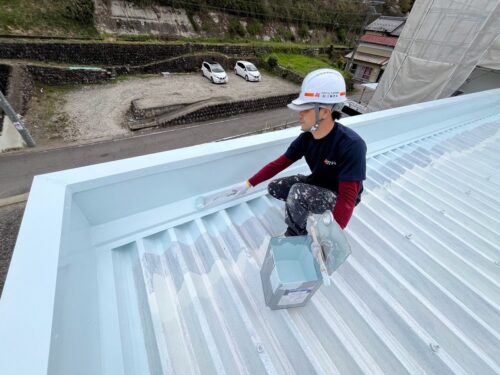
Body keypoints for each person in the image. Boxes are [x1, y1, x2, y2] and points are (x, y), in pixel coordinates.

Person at [235, 68, 367, 236]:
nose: (300, 114)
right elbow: (279, 164)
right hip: (318, 182)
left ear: (325, 112)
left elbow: (347, 199)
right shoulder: (306, 139)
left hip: (337, 195)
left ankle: (296, 233)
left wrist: (332, 236)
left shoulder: (352, 145)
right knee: (275, 188)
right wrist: (248, 184)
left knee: (297, 192)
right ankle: (306, 204)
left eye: (305, 109)